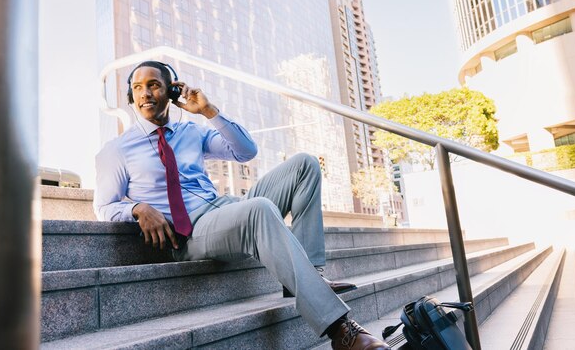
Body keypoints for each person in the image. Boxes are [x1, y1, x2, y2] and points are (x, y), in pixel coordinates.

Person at [94, 61, 390, 350]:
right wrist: (137, 209)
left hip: (225, 209)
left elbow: (246, 151)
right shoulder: (117, 150)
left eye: (154, 85)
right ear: (131, 97)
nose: (145, 93)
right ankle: (343, 332)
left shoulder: (192, 132)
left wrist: (208, 111)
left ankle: (310, 272)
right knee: (259, 209)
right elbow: (104, 206)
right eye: (137, 88)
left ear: (171, 91)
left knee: (303, 164)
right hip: (190, 232)